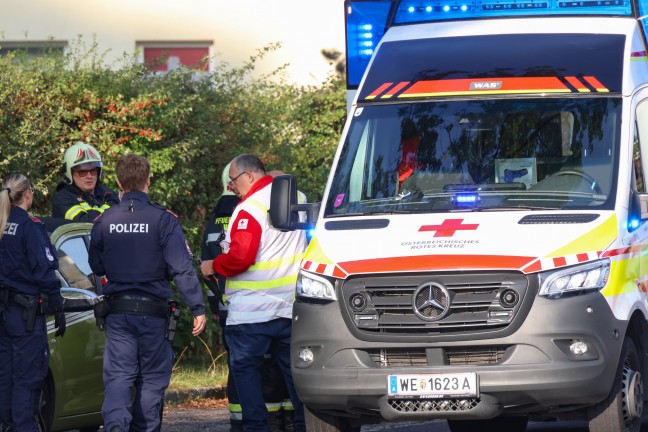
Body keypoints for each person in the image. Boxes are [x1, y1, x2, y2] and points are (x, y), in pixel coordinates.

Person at [88, 154, 206, 432]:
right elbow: (182, 269)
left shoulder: (103, 221)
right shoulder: (164, 219)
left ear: (118, 182)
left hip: (118, 313)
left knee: (118, 377)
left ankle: (116, 426)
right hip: (153, 315)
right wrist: (198, 308)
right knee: (152, 379)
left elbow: (96, 264)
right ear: (148, 180)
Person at [200, 154, 307, 432]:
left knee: (246, 374)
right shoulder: (297, 198)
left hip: (251, 314)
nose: (232, 187)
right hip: (289, 309)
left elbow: (239, 259)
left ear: (249, 176)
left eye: (233, 180)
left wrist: (213, 265)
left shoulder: (250, 209)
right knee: (294, 376)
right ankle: (304, 425)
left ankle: (256, 428)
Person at [0, 173, 66, 432]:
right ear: (27, 194)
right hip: (26, 319)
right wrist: (58, 305)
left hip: (4, 316)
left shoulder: (2, 225)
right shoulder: (30, 227)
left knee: (5, 377)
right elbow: (44, 272)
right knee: (27, 380)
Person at [52, 141, 120, 222]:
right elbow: (86, 223)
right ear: (70, 173)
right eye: (82, 172)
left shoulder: (107, 193)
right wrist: (113, 208)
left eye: (93, 171)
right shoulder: (63, 199)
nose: (89, 176)